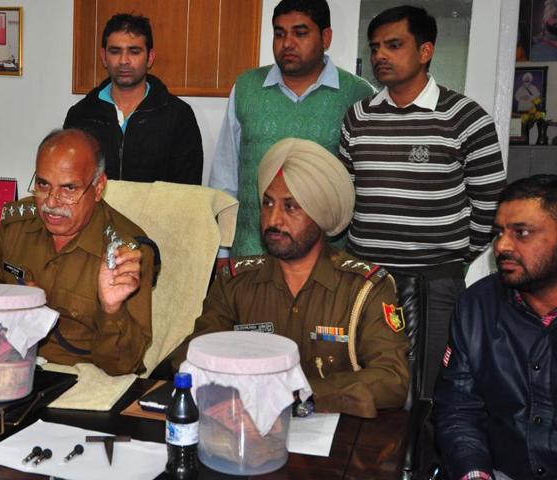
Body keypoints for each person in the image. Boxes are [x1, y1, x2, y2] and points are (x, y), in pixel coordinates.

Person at [339, 5, 506, 397]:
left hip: (435, 284)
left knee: (427, 392)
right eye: (376, 46)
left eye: (393, 45)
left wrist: (458, 255)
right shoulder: (357, 118)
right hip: (367, 279)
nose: (380, 55)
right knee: (364, 381)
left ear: (425, 51)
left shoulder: (465, 117)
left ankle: (423, 460)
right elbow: (344, 195)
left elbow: (492, 202)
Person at [175, 138, 409, 417]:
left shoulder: (365, 289)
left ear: (321, 214)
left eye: (291, 207)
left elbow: (393, 379)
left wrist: (301, 394)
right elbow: (192, 356)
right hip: (246, 432)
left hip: (338, 443)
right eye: (267, 203)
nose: (273, 220)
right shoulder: (234, 282)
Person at [0, 129, 157, 376]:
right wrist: (16, 309)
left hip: (81, 378)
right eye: (43, 184)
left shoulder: (126, 252)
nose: (51, 202)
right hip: (9, 364)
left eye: (69, 188)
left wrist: (111, 309)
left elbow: (124, 366)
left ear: (98, 187)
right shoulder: (15, 224)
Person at [210, 0, 374, 257]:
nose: (287, 43)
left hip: (325, 263)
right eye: (279, 33)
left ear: (326, 37)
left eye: (300, 33)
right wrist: (221, 252)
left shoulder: (357, 94)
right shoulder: (246, 88)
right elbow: (224, 180)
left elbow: (367, 186)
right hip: (251, 254)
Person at [434, 175, 557, 480]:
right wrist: (474, 473)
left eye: (522, 233)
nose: (501, 245)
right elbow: (458, 409)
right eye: (499, 232)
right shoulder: (477, 305)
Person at [64, 14, 203, 184]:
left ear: (150, 57)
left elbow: (188, 191)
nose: (124, 60)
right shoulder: (81, 115)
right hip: (97, 211)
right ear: (103, 57)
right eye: (115, 51)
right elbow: (69, 182)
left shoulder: (178, 116)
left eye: (134, 52)